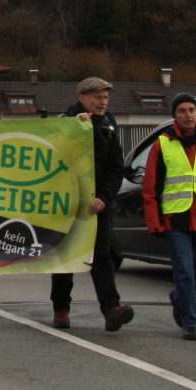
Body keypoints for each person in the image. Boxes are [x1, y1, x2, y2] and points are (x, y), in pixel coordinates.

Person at [50, 77, 134, 332]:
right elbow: (53, 158)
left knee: (103, 256)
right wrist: (76, 129)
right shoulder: (65, 122)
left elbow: (116, 167)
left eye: (106, 98)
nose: (103, 102)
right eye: (98, 97)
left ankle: (111, 309)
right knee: (67, 256)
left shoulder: (109, 123)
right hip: (69, 204)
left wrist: (105, 197)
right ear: (83, 97)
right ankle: (61, 308)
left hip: (98, 204)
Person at [143, 92, 196, 341]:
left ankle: (179, 297)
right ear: (175, 116)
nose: (188, 115)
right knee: (185, 273)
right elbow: (151, 188)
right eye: (182, 111)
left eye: (191, 110)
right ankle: (191, 323)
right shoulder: (163, 144)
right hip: (175, 220)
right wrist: (155, 222)